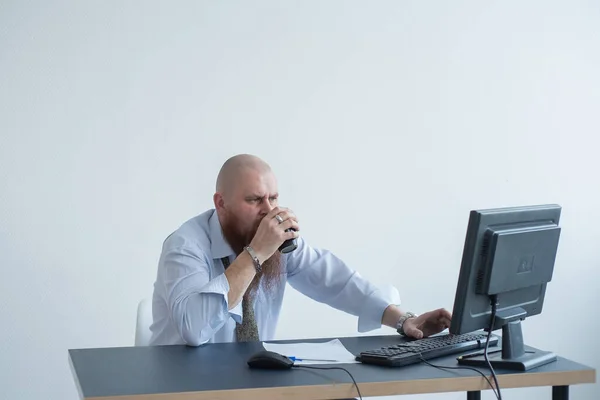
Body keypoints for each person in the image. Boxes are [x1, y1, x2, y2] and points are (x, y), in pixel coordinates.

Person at [148, 154, 452, 346]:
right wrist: (255, 255)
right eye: (254, 200)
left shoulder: (277, 242)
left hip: (253, 383)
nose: (268, 210)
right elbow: (194, 329)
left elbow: (335, 281)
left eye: (273, 198)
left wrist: (402, 320)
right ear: (221, 203)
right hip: (185, 387)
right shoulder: (185, 247)